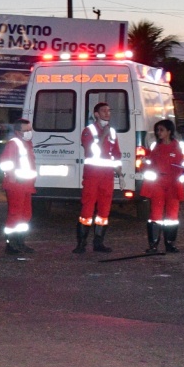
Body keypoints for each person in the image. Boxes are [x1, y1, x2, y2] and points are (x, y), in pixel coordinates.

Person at [73, 102, 123, 254]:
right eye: (103, 111)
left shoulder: (112, 132)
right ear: (96, 114)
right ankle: (81, 244)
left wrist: (120, 173)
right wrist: (103, 135)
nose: (107, 113)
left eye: (109, 110)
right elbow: (92, 150)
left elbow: (116, 154)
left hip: (107, 175)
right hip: (92, 175)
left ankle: (98, 243)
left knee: (104, 210)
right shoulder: (89, 131)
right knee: (87, 208)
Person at [139, 119, 184, 253]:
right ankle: (153, 245)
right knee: (155, 214)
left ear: (169, 131)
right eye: (157, 130)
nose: (158, 133)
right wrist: (143, 163)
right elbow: (146, 164)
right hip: (158, 184)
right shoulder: (153, 146)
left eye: (161, 130)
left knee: (172, 217)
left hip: (174, 185)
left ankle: (170, 244)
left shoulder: (180, 147)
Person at [0, 118, 37, 254]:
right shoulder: (14, 143)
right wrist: (11, 175)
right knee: (15, 214)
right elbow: (5, 162)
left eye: (29, 129)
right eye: (26, 130)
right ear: (17, 132)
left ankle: (20, 242)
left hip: (26, 185)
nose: (29, 132)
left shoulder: (26, 143)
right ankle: (11, 244)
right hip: (16, 185)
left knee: (25, 215)